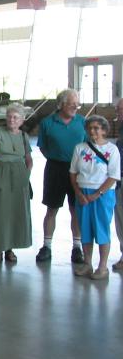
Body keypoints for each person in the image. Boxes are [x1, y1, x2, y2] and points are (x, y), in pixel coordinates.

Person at [36, 89, 86, 264]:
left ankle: (77, 247)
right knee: (52, 209)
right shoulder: (47, 123)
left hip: (78, 171)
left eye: (77, 103)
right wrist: (54, 157)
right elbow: (42, 146)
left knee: (76, 210)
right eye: (72, 103)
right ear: (61, 104)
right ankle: (46, 246)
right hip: (55, 168)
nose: (75, 106)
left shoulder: (82, 122)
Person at [69, 115, 120, 280]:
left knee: (102, 229)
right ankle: (87, 263)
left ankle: (102, 266)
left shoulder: (112, 150)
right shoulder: (79, 148)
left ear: (104, 130)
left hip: (103, 195)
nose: (93, 131)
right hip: (83, 193)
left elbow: (113, 176)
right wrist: (78, 193)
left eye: (97, 128)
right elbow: (73, 173)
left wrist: (97, 195)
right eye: (90, 128)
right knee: (85, 229)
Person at [0, 105, 33, 264]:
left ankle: (10, 249)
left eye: (15, 117)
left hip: (20, 175)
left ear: (21, 120)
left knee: (17, 213)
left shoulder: (24, 136)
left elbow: (28, 159)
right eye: (9, 116)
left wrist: (27, 174)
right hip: (2, 173)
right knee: (1, 213)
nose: (11, 120)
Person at [114, 98, 123, 272]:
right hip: (119, 181)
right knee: (120, 220)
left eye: (121, 109)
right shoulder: (121, 129)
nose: (118, 112)